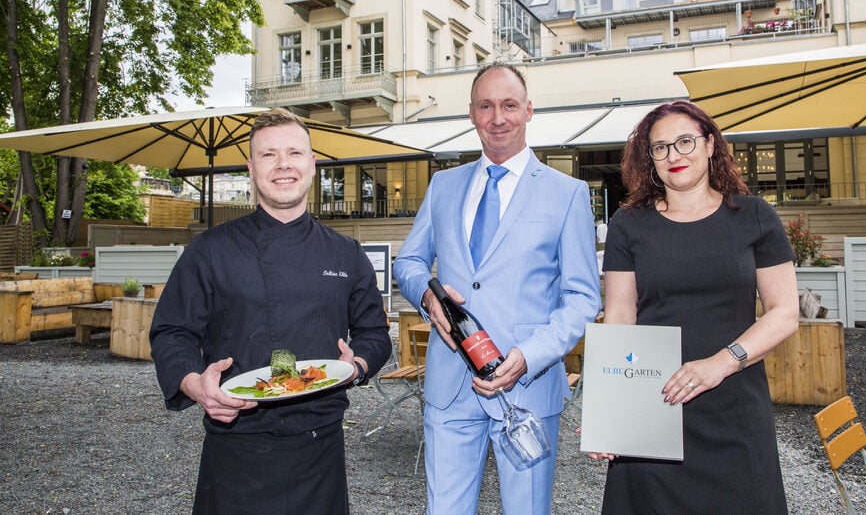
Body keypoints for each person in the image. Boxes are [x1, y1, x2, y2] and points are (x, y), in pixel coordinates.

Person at [149, 107, 391, 514]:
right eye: (268, 155)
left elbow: (374, 332)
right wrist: (195, 384)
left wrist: (359, 365)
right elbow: (172, 331)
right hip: (235, 445)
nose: (283, 165)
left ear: (312, 165)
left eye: (294, 153)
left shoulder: (345, 253)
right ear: (251, 167)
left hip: (320, 447)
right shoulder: (210, 250)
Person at [394, 63, 601, 515]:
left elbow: (584, 297)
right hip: (450, 384)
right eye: (486, 106)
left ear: (528, 111)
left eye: (509, 105)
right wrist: (427, 297)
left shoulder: (567, 193)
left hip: (528, 385)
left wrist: (530, 354)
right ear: (471, 113)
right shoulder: (443, 185)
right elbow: (408, 261)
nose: (497, 117)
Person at [593, 100, 799, 514]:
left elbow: (784, 312)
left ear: (709, 145)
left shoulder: (755, 216)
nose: (674, 155)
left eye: (685, 141)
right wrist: (610, 413)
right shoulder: (628, 224)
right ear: (649, 159)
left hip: (733, 406)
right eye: (661, 147)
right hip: (653, 404)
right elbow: (619, 317)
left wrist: (719, 364)